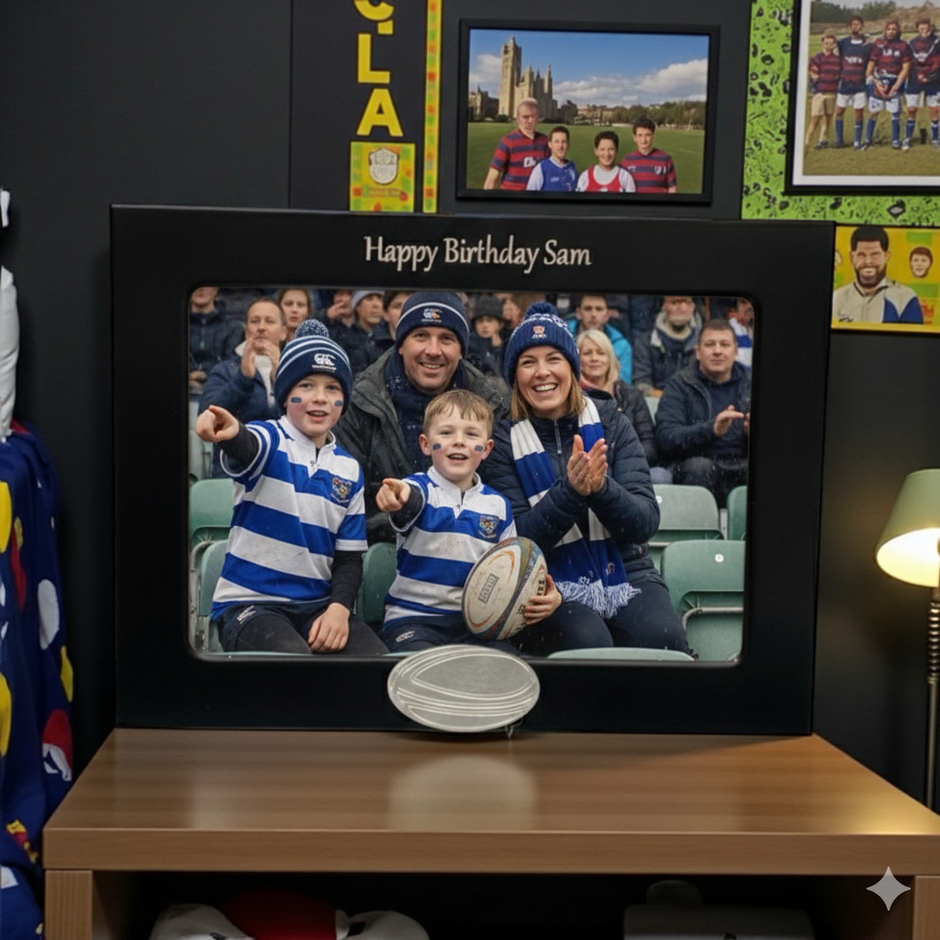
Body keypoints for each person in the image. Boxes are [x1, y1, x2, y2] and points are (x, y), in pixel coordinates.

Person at [482, 303, 688, 655]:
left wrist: (601, 489)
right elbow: (519, 538)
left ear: (572, 368)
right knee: (586, 640)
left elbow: (644, 523)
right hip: (542, 580)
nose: (542, 372)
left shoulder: (612, 422)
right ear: (514, 375)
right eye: (528, 362)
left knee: (664, 638)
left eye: (554, 359)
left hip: (626, 569)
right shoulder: (501, 439)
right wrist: (573, 492)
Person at [194, 320, 388, 657]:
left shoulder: (348, 469)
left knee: (379, 669)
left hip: (317, 608)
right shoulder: (270, 438)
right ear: (285, 395)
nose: (319, 399)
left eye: (332, 389)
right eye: (307, 385)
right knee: (292, 666)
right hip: (251, 606)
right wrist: (231, 431)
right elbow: (247, 444)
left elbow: (349, 558)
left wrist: (339, 610)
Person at [376, 389, 561, 653]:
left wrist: (546, 597)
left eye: (471, 434)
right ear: (425, 444)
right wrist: (397, 497)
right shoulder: (418, 488)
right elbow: (408, 500)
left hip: (478, 627)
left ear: (486, 450)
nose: (459, 441)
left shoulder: (498, 506)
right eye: (446, 432)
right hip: (414, 620)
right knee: (424, 669)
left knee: (510, 669)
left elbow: (514, 569)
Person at [334, 290, 507, 545]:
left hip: (469, 554)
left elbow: (500, 497)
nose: (433, 350)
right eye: (421, 336)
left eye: (447, 338)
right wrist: (413, 523)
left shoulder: (493, 404)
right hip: (379, 558)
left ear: (461, 349)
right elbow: (346, 504)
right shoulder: (361, 402)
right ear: (401, 344)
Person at [654, 319, 749, 507]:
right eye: (709, 344)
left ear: (736, 351)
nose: (717, 351)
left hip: (740, 464)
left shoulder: (752, 385)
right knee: (699, 467)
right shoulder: (679, 385)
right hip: (695, 464)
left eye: (725, 344)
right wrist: (711, 430)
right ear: (698, 352)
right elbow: (666, 438)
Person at [198, 297, 288, 477]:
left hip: (285, 469)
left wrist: (282, 379)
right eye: (255, 321)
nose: (261, 327)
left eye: (269, 321)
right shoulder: (225, 370)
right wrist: (243, 379)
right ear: (247, 331)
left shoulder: (297, 371)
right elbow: (206, 416)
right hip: (234, 471)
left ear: (283, 332)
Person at [575, 329, 667, 483]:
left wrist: (623, 462)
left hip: (629, 467)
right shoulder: (571, 396)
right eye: (587, 353)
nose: (594, 358)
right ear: (577, 359)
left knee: (660, 475)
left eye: (601, 353)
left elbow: (649, 444)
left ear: (611, 359)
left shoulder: (630, 395)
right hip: (586, 470)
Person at [832, 225, 922, 324]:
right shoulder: (837, 298)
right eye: (861, 255)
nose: (868, 261)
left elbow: (912, 339)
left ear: (886, 256)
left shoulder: (904, 298)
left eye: (875, 254)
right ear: (852, 257)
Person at [632, 296, 701, 397]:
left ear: (692, 306)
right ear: (664, 305)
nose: (680, 307)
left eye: (685, 302)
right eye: (674, 302)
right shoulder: (645, 343)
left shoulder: (704, 343)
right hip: (656, 404)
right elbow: (641, 384)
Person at [862, 19, 911, 150]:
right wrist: (872, 79)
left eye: (893, 29)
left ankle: (895, 141)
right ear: (885, 30)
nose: (891, 32)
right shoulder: (878, 44)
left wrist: (896, 85)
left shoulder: (903, 45)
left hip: (894, 81)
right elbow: (871, 64)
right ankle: (868, 140)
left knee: (895, 113)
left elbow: (906, 67)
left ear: (898, 31)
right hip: (878, 81)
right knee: (873, 112)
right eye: (888, 29)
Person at [483, 97, 549, 191]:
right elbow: (493, 176)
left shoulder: (545, 142)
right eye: (525, 117)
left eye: (533, 117)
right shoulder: (507, 142)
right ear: (517, 118)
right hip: (512, 200)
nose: (530, 121)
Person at [189, 286, 242, 398]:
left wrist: (206, 376)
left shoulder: (233, 327)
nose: (200, 289)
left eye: (205, 284)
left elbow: (231, 364)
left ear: (216, 289)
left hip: (219, 391)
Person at [565, 293, 632, 382]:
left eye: (599, 309)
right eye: (588, 309)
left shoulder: (622, 345)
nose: (593, 314)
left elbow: (623, 383)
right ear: (578, 313)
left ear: (607, 315)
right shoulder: (561, 336)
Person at [835, 15, 871, 149]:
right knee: (839, 111)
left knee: (859, 113)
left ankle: (857, 141)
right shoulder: (843, 43)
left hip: (859, 85)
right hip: (844, 84)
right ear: (849, 27)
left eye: (858, 24)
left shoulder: (867, 45)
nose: (855, 27)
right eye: (853, 25)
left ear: (861, 26)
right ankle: (839, 140)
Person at [330, 289, 385, 376]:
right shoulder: (344, 339)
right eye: (369, 299)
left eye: (380, 299)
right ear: (357, 307)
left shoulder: (389, 339)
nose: (376, 305)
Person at [905, 17, 940, 148]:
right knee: (911, 110)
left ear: (930, 28)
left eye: (926, 28)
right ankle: (908, 138)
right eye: (921, 28)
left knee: (934, 111)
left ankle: (935, 139)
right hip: (915, 80)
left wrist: (930, 76)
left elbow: (938, 63)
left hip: (933, 81)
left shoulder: (937, 42)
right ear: (917, 29)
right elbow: (909, 62)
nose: (924, 31)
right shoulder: (912, 43)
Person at [619, 118, 677, 193]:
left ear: (653, 137)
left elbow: (672, 188)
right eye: (640, 135)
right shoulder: (626, 161)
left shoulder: (665, 159)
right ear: (634, 138)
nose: (644, 139)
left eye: (647, 135)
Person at [806, 33, 841, 149]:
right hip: (820, 93)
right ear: (822, 44)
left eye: (831, 43)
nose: (828, 46)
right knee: (815, 119)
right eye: (826, 43)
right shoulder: (817, 58)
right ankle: (807, 141)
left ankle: (823, 140)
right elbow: (813, 73)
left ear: (834, 45)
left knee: (828, 118)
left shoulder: (837, 60)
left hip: (831, 92)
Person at [467, 294, 507, 392]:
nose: (485, 325)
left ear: (500, 324)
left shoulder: (507, 346)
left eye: (490, 321)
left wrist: (497, 348)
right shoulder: (470, 345)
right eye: (480, 321)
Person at [525, 125, 578, 192]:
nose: (560, 146)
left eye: (563, 142)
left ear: (568, 144)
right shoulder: (541, 169)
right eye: (556, 142)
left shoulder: (572, 167)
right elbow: (530, 196)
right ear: (550, 144)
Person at [727, 297, 755, 369]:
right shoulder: (730, 328)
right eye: (743, 303)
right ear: (738, 307)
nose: (749, 307)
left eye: (752, 303)